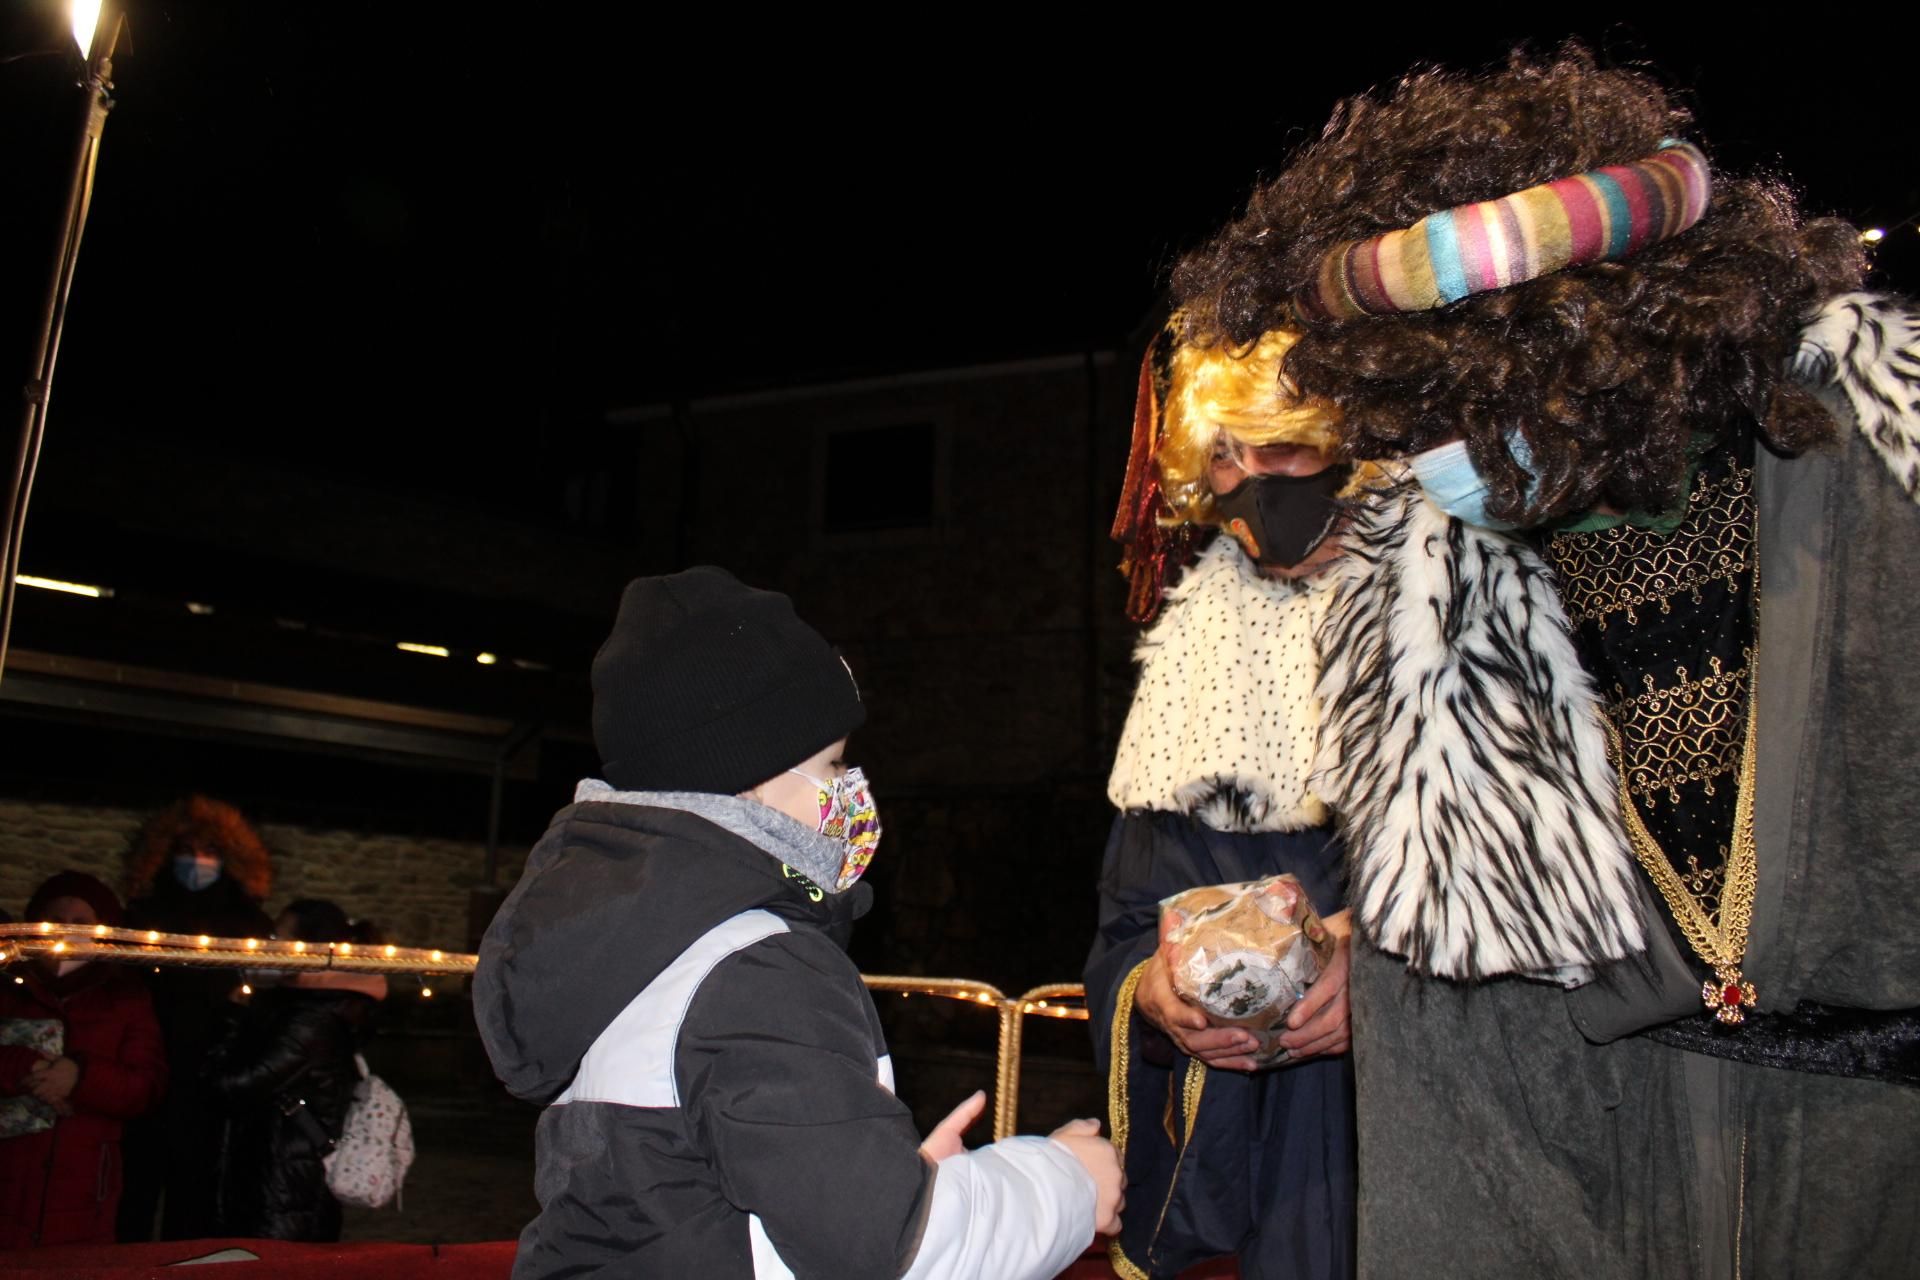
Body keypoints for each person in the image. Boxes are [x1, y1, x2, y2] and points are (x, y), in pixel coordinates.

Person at [1168, 44, 1920, 1279]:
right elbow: (1464, 1079)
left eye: (1464, 392)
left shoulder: (1885, 460)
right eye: (1407, 411)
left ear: (1611, 331)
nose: (1431, 454)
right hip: (1614, 1183)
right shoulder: (1428, 609)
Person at [475, 567, 1123, 1280]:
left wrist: (894, 1184)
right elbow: (893, 1255)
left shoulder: (638, 946)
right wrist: (1067, 1181)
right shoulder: (759, 970)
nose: (851, 790)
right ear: (747, 774)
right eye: (834, 764)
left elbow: (690, 1203)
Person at [1088, 325, 1355, 1279]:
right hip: (1263, 1191)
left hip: (1426, 1158)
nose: (1249, 480)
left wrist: (1383, 962)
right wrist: (1153, 995)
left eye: (1275, 442)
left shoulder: (1473, 609)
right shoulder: (1194, 668)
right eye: (1222, 456)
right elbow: (1125, 930)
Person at [118, 794, 277, 1241]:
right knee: (135, 1192)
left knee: (197, 1198)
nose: (197, 862)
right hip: (147, 1068)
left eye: (208, 852)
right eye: (187, 852)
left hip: (211, 1074)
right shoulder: (142, 916)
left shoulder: (246, 920)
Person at [0, 872, 167, 1249]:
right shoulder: (8, 986)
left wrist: (81, 1077)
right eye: (57, 920)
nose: (67, 932)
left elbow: (145, 1086)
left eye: (81, 923)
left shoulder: (125, 998)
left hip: (84, 1185)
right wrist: (28, 1068)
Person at [203, 898, 384, 1241]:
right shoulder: (304, 1006)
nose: (270, 945)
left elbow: (231, 1085)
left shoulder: (309, 1022)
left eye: (279, 936)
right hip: (278, 1179)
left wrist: (230, 1020)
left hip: (283, 1190)